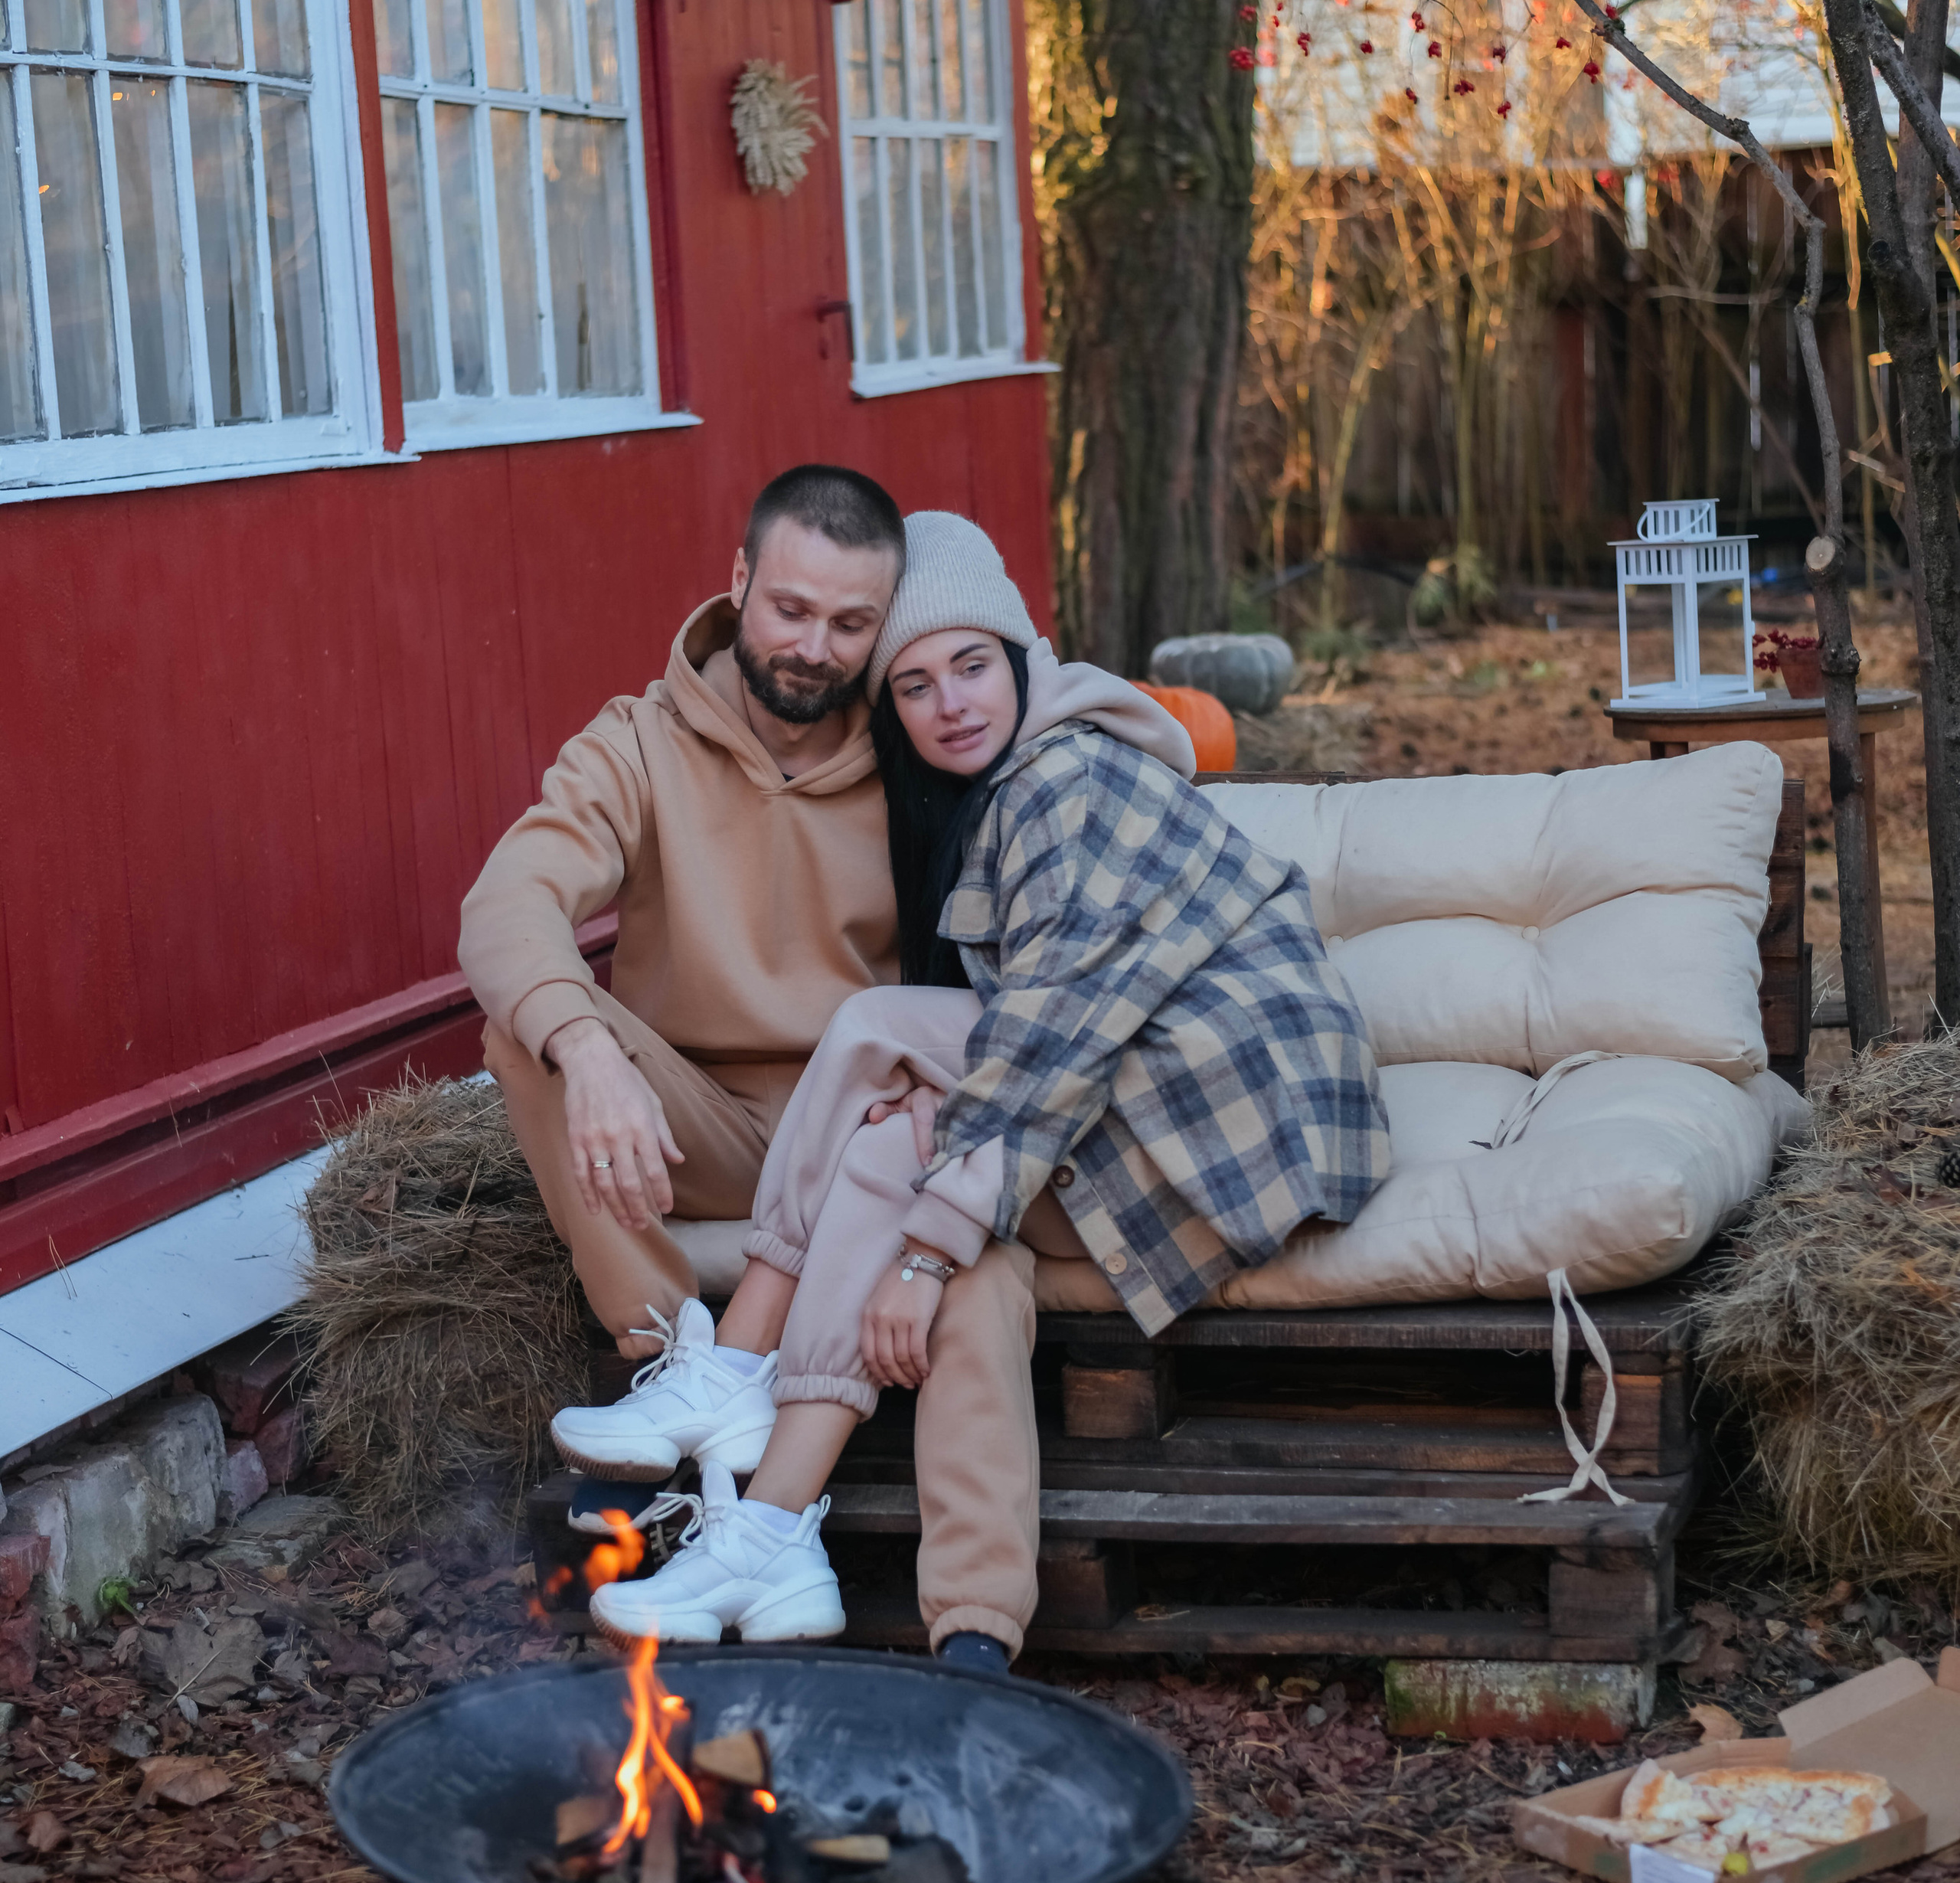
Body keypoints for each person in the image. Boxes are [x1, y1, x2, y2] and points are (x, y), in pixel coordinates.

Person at [583, 511, 1393, 1671]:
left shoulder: (1072, 787)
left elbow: (1054, 1048)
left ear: (1021, 655)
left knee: (881, 1061)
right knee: (898, 1130)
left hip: (1234, 1131)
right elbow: (1029, 1044)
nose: (951, 703)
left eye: (972, 666)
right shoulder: (1007, 789)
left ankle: (745, 1384)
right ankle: (804, 1546)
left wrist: (919, 1252)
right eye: (913, 686)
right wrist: (932, 1200)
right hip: (1151, 1102)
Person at [458, 469, 1038, 1590]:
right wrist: (587, 1049)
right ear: (739, 584)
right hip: (700, 1131)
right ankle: (672, 1365)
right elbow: (507, 902)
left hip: (860, 1139)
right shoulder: (637, 742)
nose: (815, 646)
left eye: (851, 624)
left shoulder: (925, 747)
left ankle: (757, 1466)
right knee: (524, 1032)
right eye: (791, 609)